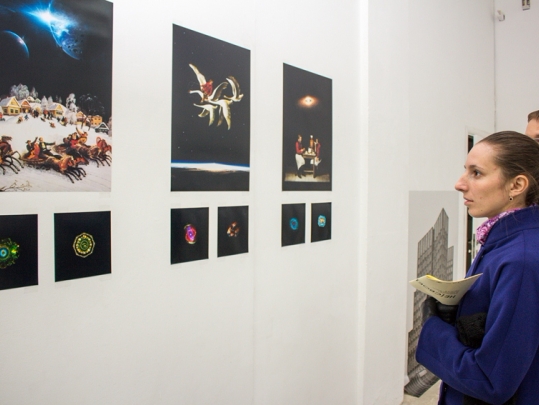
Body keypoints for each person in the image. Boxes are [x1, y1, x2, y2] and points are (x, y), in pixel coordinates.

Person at [416, 131, 539, 405]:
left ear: (517, 185)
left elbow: (490, 379)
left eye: (477, 173)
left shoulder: (520, 260)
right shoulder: (508, 239)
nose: (460, 184)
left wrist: (434, 329)